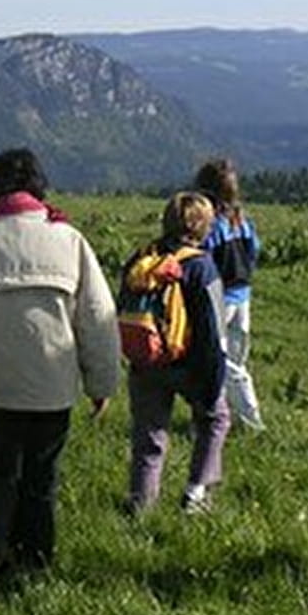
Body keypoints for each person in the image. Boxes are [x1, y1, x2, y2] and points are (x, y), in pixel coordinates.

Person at [0, 148, 119, 590]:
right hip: (54, 390)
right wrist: (101, 383)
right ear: (39, 189)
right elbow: (97, 318)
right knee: (41, 480)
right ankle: (35, 561)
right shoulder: (71, 242)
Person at [124, 191, 230, 515]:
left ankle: (141, 505)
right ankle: (196, 494)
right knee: (216, 419)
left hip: (145, 360)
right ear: (202, 226)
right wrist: (214, 380)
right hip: (188, 364)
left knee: (149, 437)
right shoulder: (201, 266)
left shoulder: (142, 258)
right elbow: (212, 330)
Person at [194, 157, 264, 431]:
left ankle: (248, 417)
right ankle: (228, 416)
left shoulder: (212, 225)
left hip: (220, 296)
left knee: (219, 360)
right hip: (243, 296)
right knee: (236, 357)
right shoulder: (242, 221)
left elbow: (204, 260)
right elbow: (254, 252)